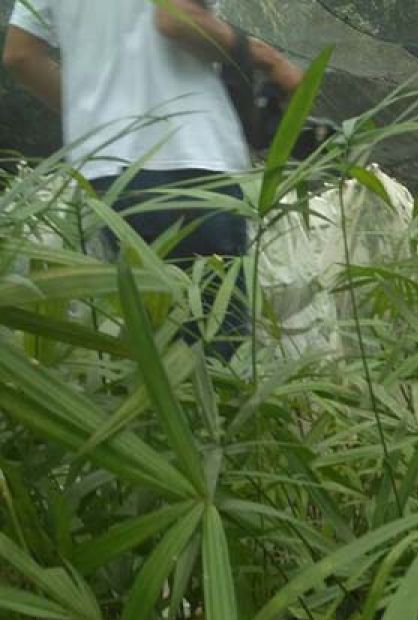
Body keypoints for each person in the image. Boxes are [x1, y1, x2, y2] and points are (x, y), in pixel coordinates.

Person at [2, 0, 303, 359]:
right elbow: (175, 19)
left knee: (155, 348)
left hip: (107, 176)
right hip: (187, 165)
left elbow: (20, 54)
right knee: (212, 353)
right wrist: (269, 59)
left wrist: (100, 118)